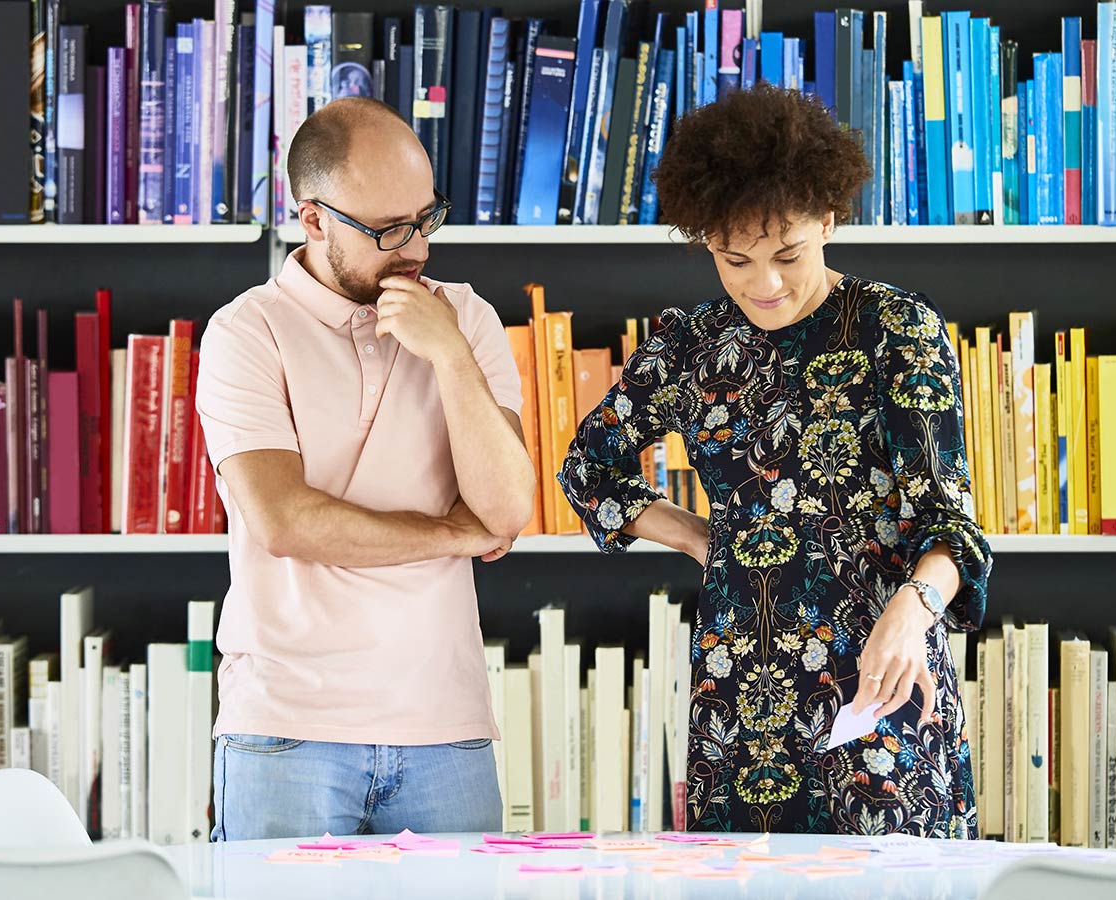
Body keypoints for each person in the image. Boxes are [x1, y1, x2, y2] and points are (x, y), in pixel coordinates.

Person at [559, 85, 992, 836]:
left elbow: (951, 523)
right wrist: (700, 538)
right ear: (707, 243)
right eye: (735, 259)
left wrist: (913, 609)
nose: (765, 283)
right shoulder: (690, 346)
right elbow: (588, 469)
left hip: (879, 680)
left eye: (788, 254)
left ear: (828, 219)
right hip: (740, 700)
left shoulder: (894, 328)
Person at [197, 97, 536, 840]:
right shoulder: (245, 333)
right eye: (386, 230)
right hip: (286, 730)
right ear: (313, 219)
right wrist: (452, 535)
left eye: (426, 218)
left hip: (446, 726)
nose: (415, 248)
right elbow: (286, 522)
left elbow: (508, 511)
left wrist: (446, 351)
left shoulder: (465, 319)